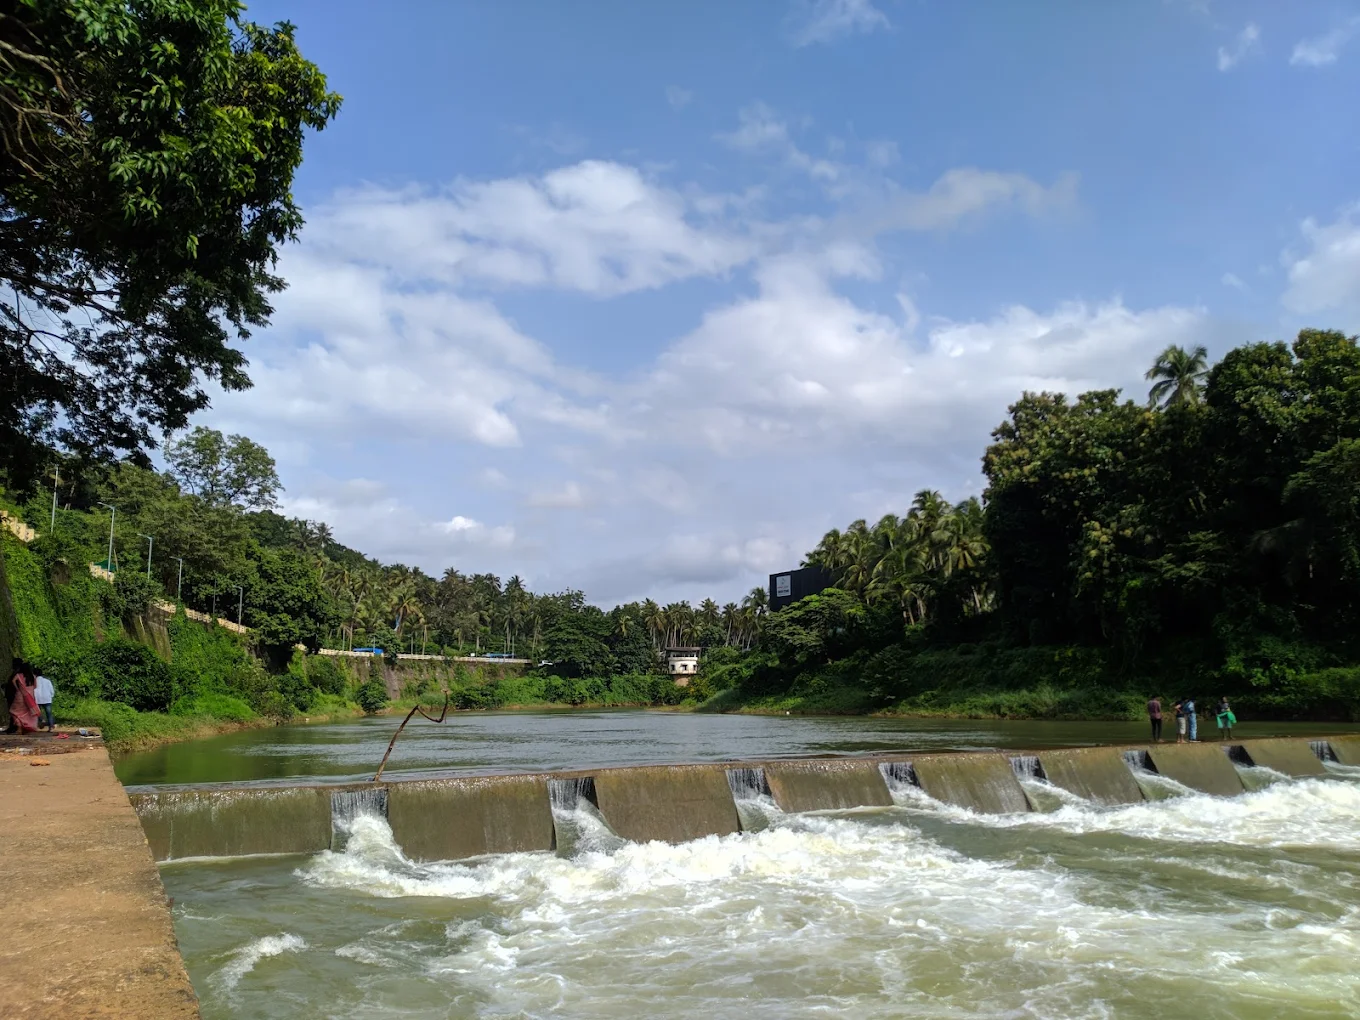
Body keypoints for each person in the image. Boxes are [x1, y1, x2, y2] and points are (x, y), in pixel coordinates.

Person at [5, 660, 39, 735]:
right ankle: (26, 727)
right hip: (30, 697)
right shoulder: (33, 676)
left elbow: (13, 681)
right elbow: (35, 686)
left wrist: (17, 688)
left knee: (14, 711)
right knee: (27, 713)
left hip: (20, 696)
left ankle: (19, 727)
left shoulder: (18, 675)